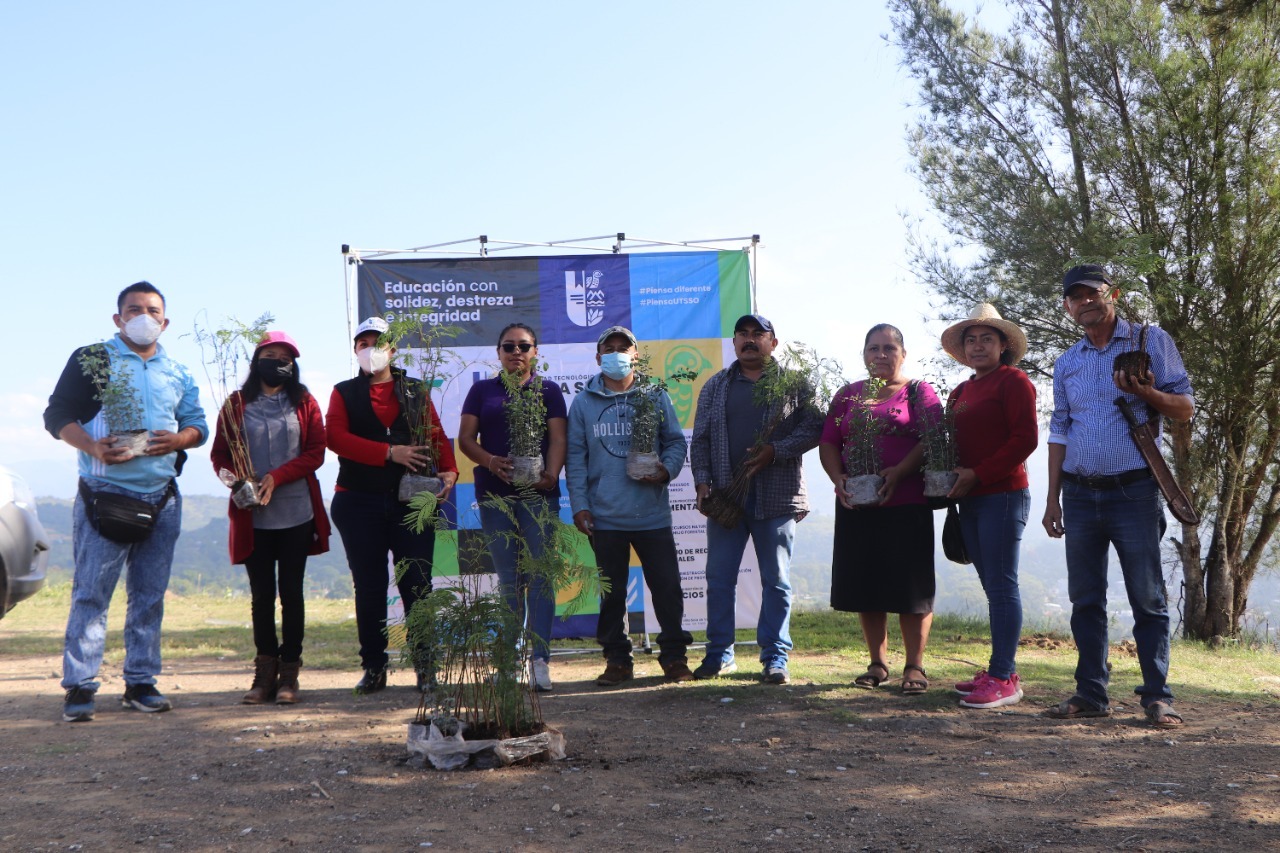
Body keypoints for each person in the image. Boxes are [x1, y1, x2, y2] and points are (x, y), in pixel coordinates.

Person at [44, 282, 208, 722]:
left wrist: (179, 438)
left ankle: (141, 681)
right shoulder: (93, 359)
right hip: (105, 495)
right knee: (91, 595)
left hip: (163, 497)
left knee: (150, 596)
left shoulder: (177, 371)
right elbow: (57, 414)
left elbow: (196, 424)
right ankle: (79, 687)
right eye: (133, 309)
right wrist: (94, 448)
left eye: (152, 310)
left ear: (165, 321)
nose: (143, 316)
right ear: (117, 319)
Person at [1042, 264, 1193, 727]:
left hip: (1135, 491)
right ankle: (1091, 694)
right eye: (1075, 296)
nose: (1085, 301)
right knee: (1086, 599)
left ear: (1114, 294)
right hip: (1080, 494)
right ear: (1067, 306)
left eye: (1093, 293)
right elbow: (1060, 429)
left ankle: (1157, 697)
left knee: (1148, 598)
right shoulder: (1068, 361)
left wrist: (1149, 394)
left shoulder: (1150, 342)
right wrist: (1053, 498)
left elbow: (1184, 408)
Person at [326, 317, 458, 694]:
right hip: (357, 500)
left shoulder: (415, 390)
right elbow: (334, 437)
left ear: (393, 350)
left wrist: (449, 472)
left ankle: (426, 667)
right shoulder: (343, 392)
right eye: (363, 343)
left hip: (412, 501)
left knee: (417, 584)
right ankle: (374, 666)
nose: (371, 349)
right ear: (355, 350)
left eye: (378, 342)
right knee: (368, 587)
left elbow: (435, 432)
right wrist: (389, 452)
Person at [690, 314, 823, 685]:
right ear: (734, 343)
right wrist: (702, 482)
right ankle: (719, 655)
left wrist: (775, 450)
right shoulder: (715, 386)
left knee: (776, 581)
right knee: (718, 579)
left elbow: (813, 428)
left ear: (773, 343)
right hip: (725, 500)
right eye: (742, 335)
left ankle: (775, 657)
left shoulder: (794, 384)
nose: (749, 340)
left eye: (758, 335)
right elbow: (699, 440)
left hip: (776, 498)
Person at [566, 326, 694, 687]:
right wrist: (580, 505)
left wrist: (666, 470)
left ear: (636, 355)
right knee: (612, 594)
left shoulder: (654, 394)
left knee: (667, 588)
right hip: (604, 516)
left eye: (625, 348)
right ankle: (617, 661)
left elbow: (674, 441)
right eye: (611, 348)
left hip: (651, 514)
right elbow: (575, 457)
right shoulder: (583, 402)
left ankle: (673, 658)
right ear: (598, 356)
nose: (618, 354)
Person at [210, 330, 331, 705]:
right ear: (257, 360)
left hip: (296, 510)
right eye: (271, 354)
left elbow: (316, 453)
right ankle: (263, 677)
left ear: (293, 364)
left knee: (291, 594)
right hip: (253, 516)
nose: (278, 361)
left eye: (286, 356)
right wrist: (233, 480)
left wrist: (277, 477)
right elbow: (220, 455)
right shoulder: (235, 404)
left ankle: (290, 677)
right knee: (261, 596)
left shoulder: (305, 402)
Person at [818, 323, 939, 695]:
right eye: (873, 349)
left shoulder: (920, 393)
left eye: (889, 348)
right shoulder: (848, 396)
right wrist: (838, 479)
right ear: (864, 354)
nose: (881, 355)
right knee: (866, 587)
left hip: (907, 503)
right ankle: (877, 663)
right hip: (858, 504)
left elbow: (934, 438)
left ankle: (915, 667)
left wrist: (900, 472)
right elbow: (828, 443)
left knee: (912, 590)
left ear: (903, 353)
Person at [458, 322, 568, 692]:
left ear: (535, 351)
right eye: (509, 346)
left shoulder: (549, 390)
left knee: (540, 575)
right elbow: (465, 439)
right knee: (509, 579)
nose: (516, 352)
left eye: (524, 346)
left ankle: (539, 661)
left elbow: (557, 438)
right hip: (495, 496)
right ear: (499, 352)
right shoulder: (481, 390)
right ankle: (508, 660)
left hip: (539, 496)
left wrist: (551, 475)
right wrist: (490, 462)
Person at [938, 305, 1038, 709]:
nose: (978, 346)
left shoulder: (1013, 381)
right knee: (991, 585)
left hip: (1003, 495)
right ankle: (1002, 669)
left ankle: (1003, 679)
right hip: (971, 498)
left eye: (987, 339)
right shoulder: (961, 391)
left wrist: (978, 473)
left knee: (1001, 585)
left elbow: (1024, 440)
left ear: (1004, 346)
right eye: (971, 340)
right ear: (962, 350)